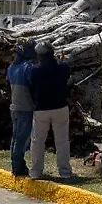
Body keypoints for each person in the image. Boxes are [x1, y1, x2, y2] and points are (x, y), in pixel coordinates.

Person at [28, 41, 74, 180]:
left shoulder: (35, 70)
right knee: (62, 141)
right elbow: (68, 79)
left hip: (41, 109)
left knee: (37, 141)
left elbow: (31, 86)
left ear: (41, 56)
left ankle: (36, 171)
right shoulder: (63, 67)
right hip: (60, 107)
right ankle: (65, 172)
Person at [7, 43, 36, 177]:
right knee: (22, 139)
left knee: (16, 137)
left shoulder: (11, 68)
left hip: (15, 107)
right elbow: (33, 85)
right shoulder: (27, 67)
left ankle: (16, 164)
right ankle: (18, 166)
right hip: (26, 108)